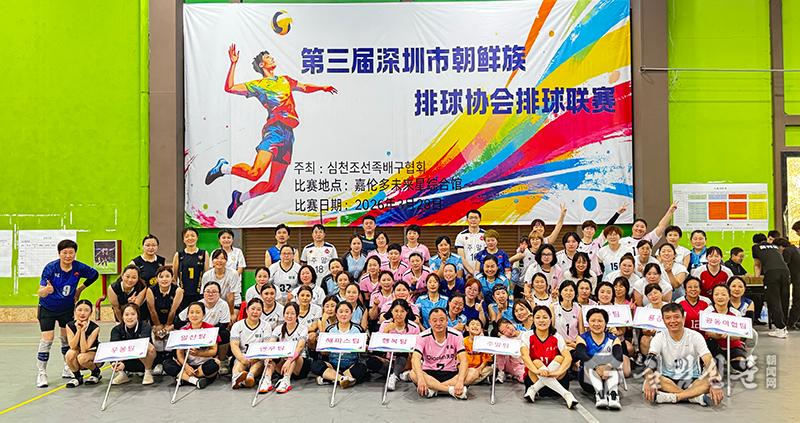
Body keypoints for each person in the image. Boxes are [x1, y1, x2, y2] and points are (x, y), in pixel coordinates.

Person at [207, 44, 337, 218]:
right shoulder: (258, 85)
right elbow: (229, 87)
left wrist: (322, 88)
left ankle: (239, 198)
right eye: (268, 57)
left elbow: (305, 87)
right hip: (274, 131)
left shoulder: (285, 80)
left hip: (288, 135)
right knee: (255, 173)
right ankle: (223, 168)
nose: (272, 58)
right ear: (262, 65)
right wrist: (233, 64)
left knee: (273, 185)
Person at [36, 239, 99, 388]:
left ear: (75, 254)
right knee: (47, 339)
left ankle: (67, 366)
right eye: (64, 253)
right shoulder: (50, 268)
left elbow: (94, 275)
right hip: (47, 308)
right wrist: (46, 291)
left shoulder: (78, 267)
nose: (68, 256)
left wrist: (80, 289)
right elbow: (40, 291)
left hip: (66, 308)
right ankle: (41, 372)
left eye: (71, 252)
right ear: (59, 253)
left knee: (66, 339)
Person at [642, 303, 724, 406]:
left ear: (683, 318)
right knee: (650, 378)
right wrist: (649, 378)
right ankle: (694, 398)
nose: (672, 321)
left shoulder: (695, 336)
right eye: (668, 318)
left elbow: (708, 359)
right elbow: (651, 359)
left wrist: (715, 382)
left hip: (692, 380)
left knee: (711, 379)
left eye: (676, 317)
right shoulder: (659, 337)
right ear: (663, 320)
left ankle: (673, 397)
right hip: (668, 379)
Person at [520, 305, 578, 408]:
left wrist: (557, 372)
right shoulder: (527, 335)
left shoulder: (557, 336)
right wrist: (537, 371)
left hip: (557, 378)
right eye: (538, 317)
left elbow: (568, 357)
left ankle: (533, 389)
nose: (541, 320)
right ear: (533, 319)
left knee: (560, 358)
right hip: (534, 378)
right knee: (536, 362)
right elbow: (524, 356)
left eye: (545, 317)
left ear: (550, 320)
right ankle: (566, 394)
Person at [410, 308, 469, 399]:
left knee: (472, 373)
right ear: (429, 322)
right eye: (434, 321)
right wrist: (421, 378)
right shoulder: (422, 336)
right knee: (413, 374)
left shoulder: (457, 335)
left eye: (441, 320)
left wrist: (460, 381)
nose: (438, 323)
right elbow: (415, 358)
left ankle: (434, 389)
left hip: (450, 373)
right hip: (429, 373)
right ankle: (450, 390)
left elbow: (464, 359)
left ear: (447, 321)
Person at [572, 308, 623, 409]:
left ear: (606, 323)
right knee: (588, 364)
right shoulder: (582, 338)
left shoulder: (613, 339)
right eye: (593, 321)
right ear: (588, 323)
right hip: (588, 380)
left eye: (600, 321)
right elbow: (581, 354)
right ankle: (600, 395)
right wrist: (596, 367)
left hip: (608, 376)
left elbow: (618, 356)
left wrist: (607, 367)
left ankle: (613, 395)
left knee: (615, 364)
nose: (596, 324)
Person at [177, 282, 232, 374]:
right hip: (195, 331)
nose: (211, 294)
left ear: (219, 294)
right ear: (203, 293)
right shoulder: (197, 305)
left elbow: (224, 323)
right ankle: (186, 366)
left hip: (212, 331)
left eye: (214, 292)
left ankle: (222, 361)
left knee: (225, 334)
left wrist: (208, 333)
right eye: (208, 291)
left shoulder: (223, 304)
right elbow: (179, 319)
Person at [163, 302, 221, 389]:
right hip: (188, 364)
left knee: (215, 364)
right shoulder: (183, 331)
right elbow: (179, 354)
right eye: (191, 312)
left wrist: (198, 353)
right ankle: (195, 381)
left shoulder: (210, 329)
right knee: (167, 364)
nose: (194, 315)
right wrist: (186, 366)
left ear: (203, 315)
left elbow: (214, 351)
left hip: (203, 365)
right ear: (188, 315)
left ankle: (184, 378)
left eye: (198, 312)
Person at [311, 302, 368, 388]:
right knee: (316, 365)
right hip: (333, 365)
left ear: (351, 313)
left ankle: (330, 379)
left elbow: (364, 352)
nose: (343, 314)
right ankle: (342, 378)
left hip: (351, 365)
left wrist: (365, 347)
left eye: (347, 311)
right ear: (336, 314)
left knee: (361, 368)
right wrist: (321, 345)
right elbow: (324, 353)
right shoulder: (330, 329)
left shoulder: (358, 329)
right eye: (341, 312)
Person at [262, 302, 312, 393]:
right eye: (287, 313)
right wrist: (268, 356)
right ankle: (267, 380)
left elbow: (300, 347)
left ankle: (286, 380)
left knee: (293, 355)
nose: (289, 316)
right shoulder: (278, 329)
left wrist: (289, 360)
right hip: (283, 364)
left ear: (297, 315)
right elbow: (271, 344)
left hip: (299, 365)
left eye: (292, 313)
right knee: (271, 357)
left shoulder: (303, 329)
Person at [752, 233, 791, 338]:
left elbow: (757, 265)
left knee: (774, 300)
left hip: (771, 273)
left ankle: (780, 328)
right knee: (784, 299)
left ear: (755, 242)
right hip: (785, 272)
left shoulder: (755, 247)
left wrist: (756, 278)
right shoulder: (774, 246)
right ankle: (784, 327)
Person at [704, 285, 751, 372]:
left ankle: (735, 359)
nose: (720, 297)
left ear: (729, 296)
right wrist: (718, 335)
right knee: (716, 366)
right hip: (714, 345)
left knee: (741, 366)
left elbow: (739, 336)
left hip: (732, 345)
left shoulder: (735, 313)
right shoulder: (708, 312)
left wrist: (730, 335)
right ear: (712, 297)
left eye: (723, 294)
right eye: (716, 294)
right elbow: (707, 333)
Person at [145, 265, 182, 374]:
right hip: (156, 320)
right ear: (157, 278)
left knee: (168, 339)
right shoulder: (150, 290)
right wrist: (157, 326)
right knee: (157, 339)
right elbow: (152, 310)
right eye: (161, 277)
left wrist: (168, 326)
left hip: (172, 321)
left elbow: (173, 310)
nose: (164, 279)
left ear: (172, 278)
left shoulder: (178, 290)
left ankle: (169, 360)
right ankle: (158, 362)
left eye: (167, 276)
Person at [379, 299, 421, 391]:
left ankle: (393, 376)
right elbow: (379, 345)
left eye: (402, 311)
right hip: (389, 359)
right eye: (396, 311)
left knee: (402, 351)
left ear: (407, 312)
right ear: (391, 311)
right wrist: (386, 330)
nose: (399, 314)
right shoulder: (385, 324)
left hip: (406, 359)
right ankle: (399, 374)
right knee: (371, 362)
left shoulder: (414, 327)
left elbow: (417, 348)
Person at [109, 303, 157, 385]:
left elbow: (142, 345)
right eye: (126, 315)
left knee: (149, 347)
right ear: (122, 317)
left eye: (133, 314)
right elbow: (114, 347)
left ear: (137, 316)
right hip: (125, 362)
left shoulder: (145, 326)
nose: (130, 317)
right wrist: (116, 363)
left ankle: (148, 372)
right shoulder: (116, 330)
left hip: (142, 362)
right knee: (113, 349)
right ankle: (122, 375)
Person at [230, 298, 271, 391]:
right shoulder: (237, 325)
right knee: (239, 363)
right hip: (242, 355)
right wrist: (242, 359)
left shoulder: (266, 326)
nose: (255, 312)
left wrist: (254, 358)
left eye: (258, 309)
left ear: (262, 311)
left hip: (258, 357)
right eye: (253, 309)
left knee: (259, 364)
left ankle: (249, 377)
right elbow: (234, 345)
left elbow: (266, 346)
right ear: (247, 310)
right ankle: (236, 379)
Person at [64, 300, 102, 388]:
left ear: (91, 312)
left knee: (82, 358)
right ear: (75, 311)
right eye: (79, 310)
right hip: (78, 352)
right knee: (70, 354)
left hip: (93, 354)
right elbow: (72, 346)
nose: (82, 313)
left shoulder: (95, 328)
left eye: (86, 310)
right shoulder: (70, 325)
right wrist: (78, 330)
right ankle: (77, 377)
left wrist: (83, 331)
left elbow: (84, 349)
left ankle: (95, 372)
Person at [172, 228, 209, 309]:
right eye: (187, 236)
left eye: (192, 235)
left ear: (197, 237)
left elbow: (207, 275)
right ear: (183, 239)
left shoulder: (204, 254)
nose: (190, 238)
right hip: (183, 294)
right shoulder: (179, 255)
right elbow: (174, 277)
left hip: (199, 293)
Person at [201, 249, 241, 322]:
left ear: (226, 261)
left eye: (222, 258)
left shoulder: (233, 274)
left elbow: (231, 296)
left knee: (229, 322)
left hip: (233, 304)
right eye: (216, 258)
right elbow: (204, 295)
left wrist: (231, 314)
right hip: (213, 303)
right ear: (212, 261)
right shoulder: (207, 275)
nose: (219, 261)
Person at [774, 238, 800, 327]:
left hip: (797, 279)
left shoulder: (787, 251)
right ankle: (793, 321)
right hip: (797, 279)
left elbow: (784, 265)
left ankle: (790, 322)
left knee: (795, 301)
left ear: (781, 246)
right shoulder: (795, 249)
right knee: (797, 301)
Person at [552, 281, 584, 349]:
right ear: (560, 292)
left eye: (571, 290)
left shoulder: (578, 308)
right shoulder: (553, 307)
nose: (568, 293)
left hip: (574, 344)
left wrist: (577, 345)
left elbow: (581, 332)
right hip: (557, 344)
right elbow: (551, 330)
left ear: (575, 293)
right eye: (565, 290)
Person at [455, 209, 486, 277]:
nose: (473, 220)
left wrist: (478, 272)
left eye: (476, 218)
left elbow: (488, 254)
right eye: (471, 218)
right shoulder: (461, 235)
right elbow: (461, 257)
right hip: (466, 273)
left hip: (483, 272)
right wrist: (472, 272)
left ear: (480, 219)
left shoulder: (485, 234)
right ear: (467, 220)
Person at [463, 318, 493, 385]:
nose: (475, 326)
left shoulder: (484, 343)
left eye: (478, 325)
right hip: (465, 369)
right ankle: (473, 380)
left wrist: (479, 369)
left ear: (482, 329)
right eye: (472, 324)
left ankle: (467, 381)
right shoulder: (463, 341)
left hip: (479, 368)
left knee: (490, 369)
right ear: (467, 328)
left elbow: (486, 360)